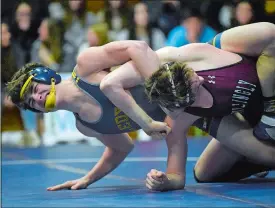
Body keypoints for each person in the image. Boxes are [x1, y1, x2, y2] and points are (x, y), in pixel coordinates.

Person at [6, 22, 275, 191]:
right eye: (31, 102)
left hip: (194, 80)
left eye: (34, 90)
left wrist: (165, 96)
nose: (37, 99)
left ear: (46, 77)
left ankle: (268, 109)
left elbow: (137, 48)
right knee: (260, 158)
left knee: (261, 44)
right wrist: (89, 178)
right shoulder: (85, 125)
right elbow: (120, 147)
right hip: (193, 115)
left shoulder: (86, 66)